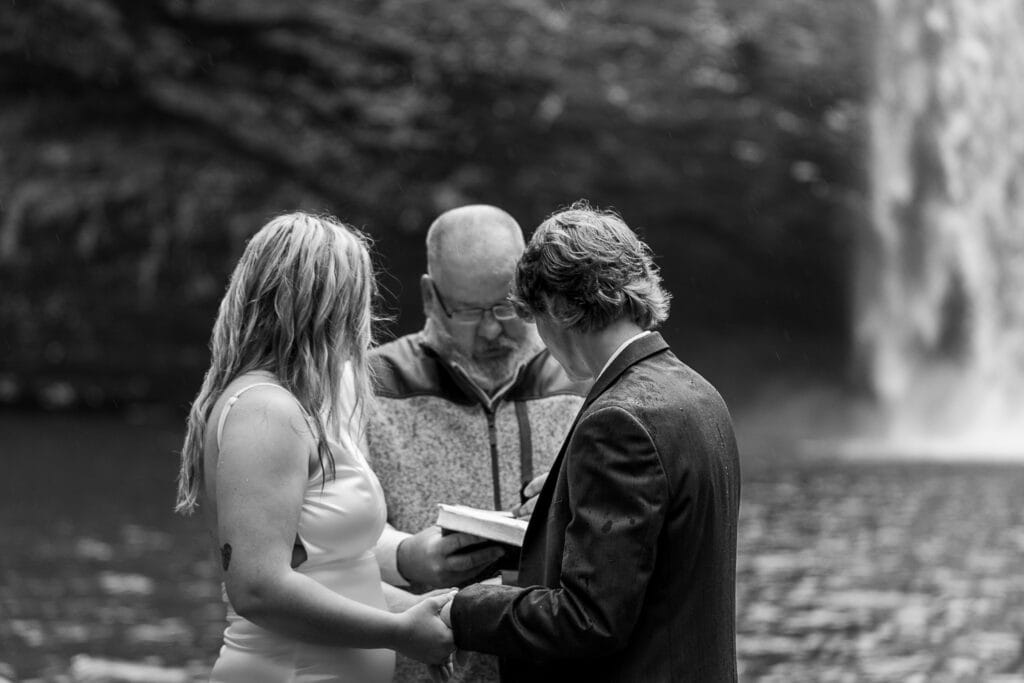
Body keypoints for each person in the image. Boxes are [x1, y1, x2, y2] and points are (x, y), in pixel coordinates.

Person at [441, 201, 742, 682]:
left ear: (559, 308)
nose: (538, 337)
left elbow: (589, 622)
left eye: (534, 316)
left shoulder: (618, 420)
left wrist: (463, 609)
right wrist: (565, 497)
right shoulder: (699, 393)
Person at [174, 212, 455, 682]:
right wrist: (398, 632)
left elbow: (334, 578)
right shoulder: (265, 411)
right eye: (359, 302)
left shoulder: (299, 407)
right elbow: (259, 588)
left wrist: (435, 613)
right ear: (325, 309)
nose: (366, 322)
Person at [367, 205, 589, 682]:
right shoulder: (369, 386)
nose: (492, 328)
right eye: (469, 311)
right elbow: (324, 538)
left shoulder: (582, 381)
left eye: (508, 306)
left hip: (554, 665)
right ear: (430, 296)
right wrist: (408, 559)